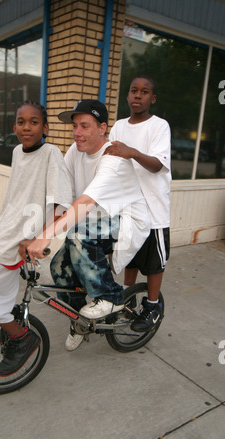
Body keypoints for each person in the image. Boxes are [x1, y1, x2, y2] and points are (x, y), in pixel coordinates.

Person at [0, 101, 73, 376]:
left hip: (20, 238)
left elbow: (61, 205)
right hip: (2, 230)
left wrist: (37, 239)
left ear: (45, 128)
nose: (26, 127)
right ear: (14, 126)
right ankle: (9, 324)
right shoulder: (18, 152)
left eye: (34, 122)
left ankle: (21, 336)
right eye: (21, 122)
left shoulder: (51, 154)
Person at [23, 99, 151, 351]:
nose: (77, 133)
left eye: (84, 126)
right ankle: (80, 319)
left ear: (102, 128)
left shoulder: (112, 158)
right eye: (75, 126)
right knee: (59, 266)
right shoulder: (76, 150)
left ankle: (111, 297)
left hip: (125, 221)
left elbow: (85, 202)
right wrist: (40, 234)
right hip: (94, 219)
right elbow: (64, 200)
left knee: (79, 234)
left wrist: (47, 235)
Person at [104, 74, 171, 333]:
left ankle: (153, 306)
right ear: (128, 95)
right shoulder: (119, 126)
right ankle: (126, 300)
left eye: (144, 92)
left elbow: (157, 165)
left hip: (153, 208)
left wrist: (131, 152)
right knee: (128, 255)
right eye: (133, 90)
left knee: (154, 262)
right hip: (128, 207)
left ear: (152, 99)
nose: (137, 95)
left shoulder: (159, 126)